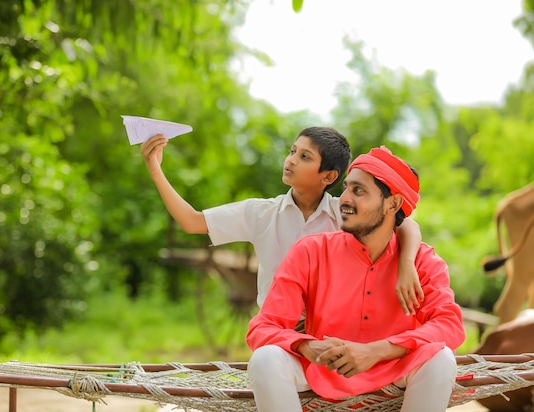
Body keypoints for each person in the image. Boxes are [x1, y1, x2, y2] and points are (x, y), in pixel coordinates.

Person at [245, 146, 466, 412]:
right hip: (323, 368)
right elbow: (262, 326)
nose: (344, 199)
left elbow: (449, 325)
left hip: (394, 367)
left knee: (441, 359)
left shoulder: (423, 261)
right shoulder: (311, 251)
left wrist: (376, 351)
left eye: (358, 191)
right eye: (346, 188)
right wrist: (306, 345)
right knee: (266, 358)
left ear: (392, 204)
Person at [140, 127, 423, 314]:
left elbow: (406, 224)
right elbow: (192, 222)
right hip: (277, 332)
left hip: (332, 332)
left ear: (329, 177)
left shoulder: (345, 214)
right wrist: (155, 170)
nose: (291, 160)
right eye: (292, 151)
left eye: (304, 156)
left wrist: (406, 263)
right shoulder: (262, 213)